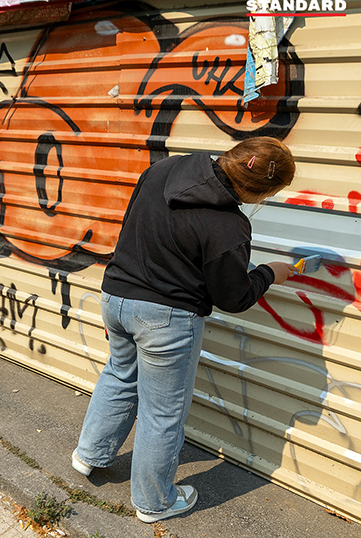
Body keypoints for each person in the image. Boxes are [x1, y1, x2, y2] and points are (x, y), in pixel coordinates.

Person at [71, 137, 298, 523]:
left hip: (116, 297)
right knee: (163, 414)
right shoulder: (229, 226)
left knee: (119, 375)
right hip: (166, 320)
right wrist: (268, 273)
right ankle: (154, 502)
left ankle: (89, 455)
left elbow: (133, 225)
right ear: (260, 191)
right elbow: (234, 297)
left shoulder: (167, 168)